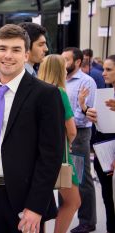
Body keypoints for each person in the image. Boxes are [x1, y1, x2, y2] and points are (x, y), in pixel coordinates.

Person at [0, 24, 64, 233]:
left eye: (16, 50)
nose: (8, 55)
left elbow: (51, 156)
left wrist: (35, 206)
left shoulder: (46, 95)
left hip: (25, 198)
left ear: (26, 55)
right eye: (3, 49)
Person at [38, 54, 81, 233]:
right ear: (58, 70)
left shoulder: (37, 91)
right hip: (60, 155)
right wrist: (68, 143)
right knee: (73, 201)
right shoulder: (60, 93)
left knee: (41, 204)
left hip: (38, 155)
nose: (65, 71)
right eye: (63, 67)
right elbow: (71, 130)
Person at [61, 47, 97, 233]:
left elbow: (86, 114)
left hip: (79, 134)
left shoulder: (86, 81)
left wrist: (67, 121)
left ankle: (87, 221)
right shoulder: (62, 80)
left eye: (66, 59)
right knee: (65, 177)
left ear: (77, 62)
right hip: (65, 133)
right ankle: (65, 212)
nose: (63, 62)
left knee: (81, 178)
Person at [81, 54, 115, 233]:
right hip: (103, 150)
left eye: (108, 69)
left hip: (111, 151)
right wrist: (86, 110)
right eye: (104, 69)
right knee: (107, 196)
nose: (103, 73)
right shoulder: (105, 93)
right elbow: (101, 122)